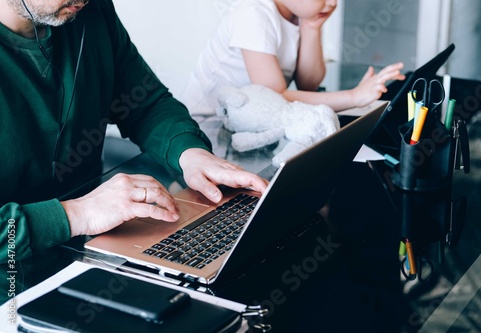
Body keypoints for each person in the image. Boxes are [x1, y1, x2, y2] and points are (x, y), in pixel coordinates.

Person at [0, 0, 268, 263]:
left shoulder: (89, 11)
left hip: (90, 252)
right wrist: (78, 214)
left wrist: (191, 153)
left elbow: (145, 103)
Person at [179, 0, 406, 115]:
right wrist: (353, 97)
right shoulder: (253, 13)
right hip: (207, 126)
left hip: (250, 120)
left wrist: (311, 28)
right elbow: (273, 97)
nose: (333, 3)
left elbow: (309, 82)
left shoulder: (299, 13)